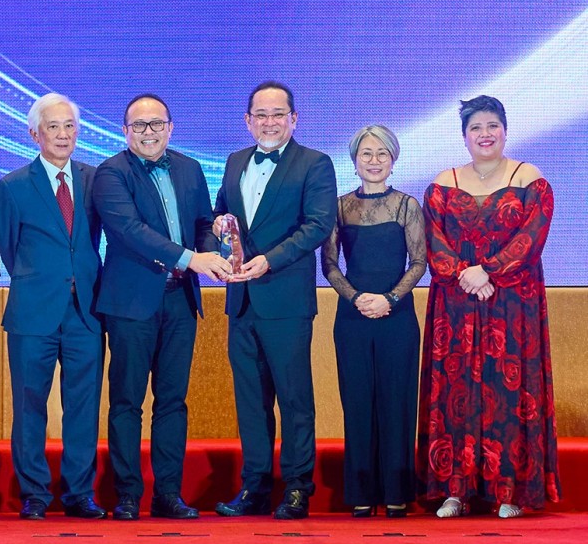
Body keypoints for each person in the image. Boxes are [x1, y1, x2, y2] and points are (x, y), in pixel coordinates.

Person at [417, 95, 561, 518]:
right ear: (464, 136)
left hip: (512, 304)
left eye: (492, 126)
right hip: (457, 304)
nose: (485, 134)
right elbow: (433, 242)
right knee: (456, 389)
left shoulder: (531, 179)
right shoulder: (442, 184)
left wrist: (490, 272)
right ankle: (454, 491)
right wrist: (467, 273)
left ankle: (508, 492)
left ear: (505, 130)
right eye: (476, 127)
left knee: (507, 388)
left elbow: (531, 239)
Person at [93, 94, 233, 520]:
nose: (149, 132)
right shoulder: (110, 173)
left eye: (157, 124)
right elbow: (131, 231)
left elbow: (204, 224)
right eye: (139, 125)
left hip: (180, 300)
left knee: (172, 401)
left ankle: (168, 494)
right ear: (125, 131)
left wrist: (213, 250)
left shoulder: (189, 168)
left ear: (170, 128)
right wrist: (194, 259)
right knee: (126, 402)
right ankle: (129, 495)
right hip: (131, 303)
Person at [213, 81, 337, 520]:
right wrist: (219, 231)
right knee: (251, 401)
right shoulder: (234, 162)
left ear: (293, 119)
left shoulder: (315, 164)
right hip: (240, 300)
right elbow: (222, 213)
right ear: (248, 121)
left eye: (277, 114)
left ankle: (299, 488)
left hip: (285, 299)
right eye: (260, 115)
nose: (268, 122)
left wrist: (270, 260)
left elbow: (318, 225)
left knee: (294, 398)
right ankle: (255, 488)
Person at [0, 93, 104, 520]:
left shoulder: (95, 179)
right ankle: (35, 494)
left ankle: (80, 493)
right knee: (29, 405)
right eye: (53, 127)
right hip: (33, 311)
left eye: (69, 126)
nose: (62, 134)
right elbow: (8, 246)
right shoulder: (14, 184)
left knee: (83, 405)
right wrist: (38, 280)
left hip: (87, 311)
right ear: (34, 134)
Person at [321, 125, 425, 518]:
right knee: (358, 401)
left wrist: (391, 299)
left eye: (382, 154)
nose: (374, 161)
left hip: (397, 316)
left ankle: (398, 491)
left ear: (393, 160)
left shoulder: (406, 206)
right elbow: (329, 264)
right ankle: (362, 491)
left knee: (396, 401)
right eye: (367, 153)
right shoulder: (339, 206)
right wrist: (357, 298)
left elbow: (419, 262)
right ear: (355, 160)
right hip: (352, 315)